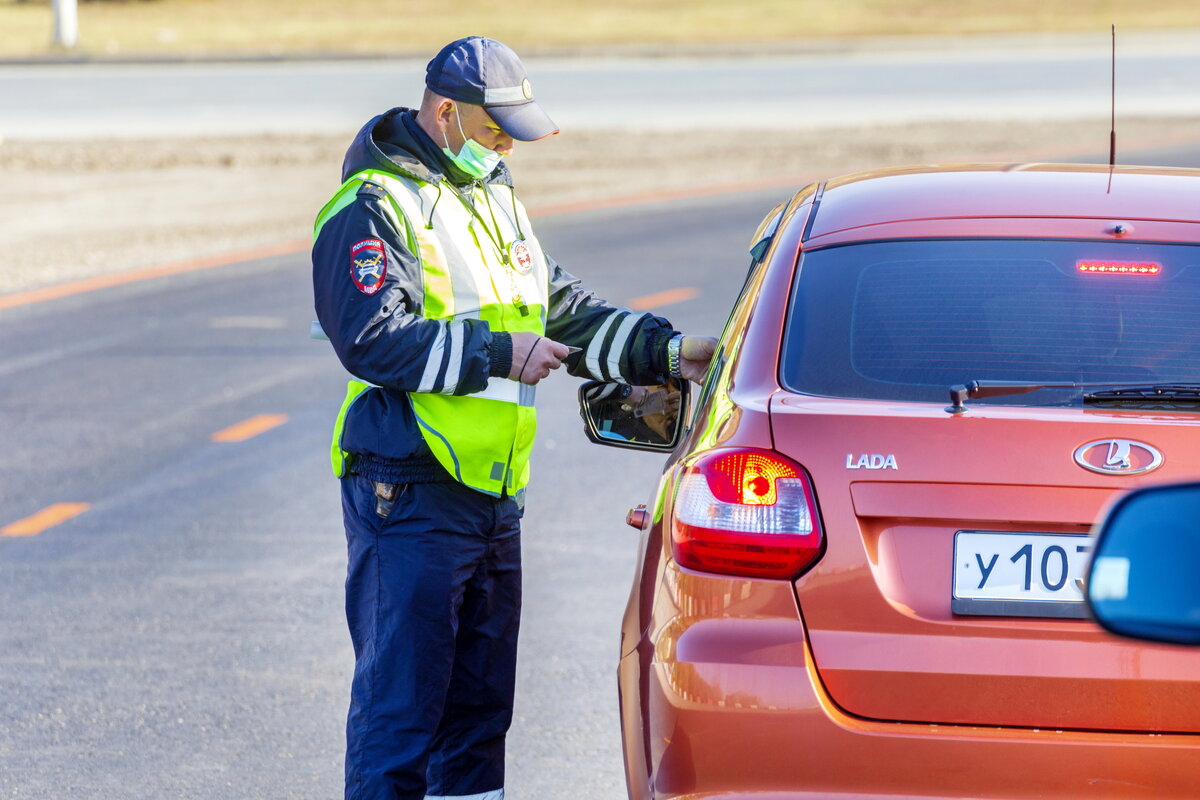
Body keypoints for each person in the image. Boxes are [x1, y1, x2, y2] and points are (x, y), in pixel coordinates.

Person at [311, 35, 716, 800]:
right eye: (494, 129)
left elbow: (556, 306)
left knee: (476, 718)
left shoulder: (491, 194)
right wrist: (498, 353)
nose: (504, 146)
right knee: (400, 718)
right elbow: (372, 342)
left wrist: (665, 352)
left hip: (492, 495)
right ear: (443, 113)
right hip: (410, 487)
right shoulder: (372, 206)